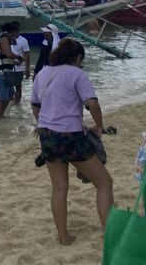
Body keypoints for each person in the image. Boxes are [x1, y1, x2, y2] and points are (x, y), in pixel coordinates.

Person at [31, 38, 113, 246]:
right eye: (81, 60)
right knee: (104, 183)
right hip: (70, 136)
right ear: (77, 58)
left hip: (47, 135)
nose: (81, 64)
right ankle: (109, 233)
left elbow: (34, 104)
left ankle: (64, 237)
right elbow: (92, 103)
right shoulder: (77, 74)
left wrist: (43, 122)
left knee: (59, 188)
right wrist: (99, 126)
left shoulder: (42, 73)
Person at [0, 22, 20, 120]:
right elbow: (8, 54)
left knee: (8, 97)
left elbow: (5, 56)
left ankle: (1, 116)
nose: (17, 35)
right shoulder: (4, 39)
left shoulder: (4, 39)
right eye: (17, 32)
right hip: (1, 73)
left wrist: (15, 62)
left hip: (5, 73)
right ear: (12, 31)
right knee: (3, 98)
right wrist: (19, 57)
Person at [10, 21, 30, 104]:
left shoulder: (23, 40)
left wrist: (27, 69)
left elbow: (27, 55)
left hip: (19, 68)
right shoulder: (6, 39)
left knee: (18, 87)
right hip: (8, 67)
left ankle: (16, 106)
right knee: (8, 87)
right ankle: (11, 103)